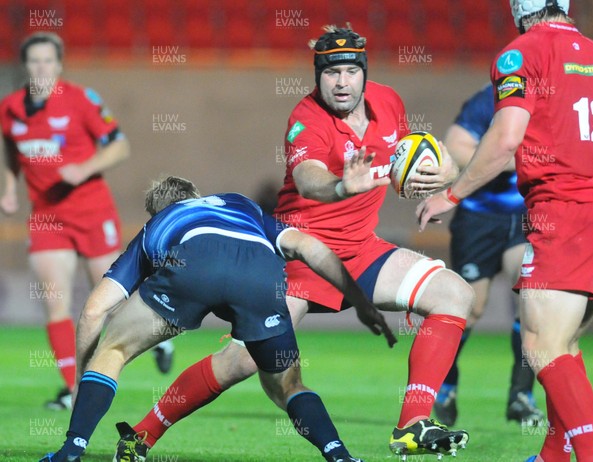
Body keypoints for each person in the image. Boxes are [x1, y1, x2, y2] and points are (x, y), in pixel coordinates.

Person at [114, 25, 472, 462]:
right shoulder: (306, 118)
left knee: (455, 294)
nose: (341, 81)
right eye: (331, 72)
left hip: (361, 250)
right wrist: (342, 186)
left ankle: (413, 424)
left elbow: (427, 155)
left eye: (349, 71)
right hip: (299, 258)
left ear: (363, 73)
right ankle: (143, 434)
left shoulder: (390, 103)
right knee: (240, 364)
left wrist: (445, 175)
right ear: (317, 76)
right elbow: (309, 178)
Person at [39, 176, 397, 462]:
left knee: (112, 351)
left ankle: (74, 448)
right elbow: (309, 247)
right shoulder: (242, 205)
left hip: (192, 267)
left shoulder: (159, 225)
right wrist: (360, 300)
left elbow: (92, 311)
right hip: (262, 276)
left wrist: (81, 378)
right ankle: (339, 454)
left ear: (158, 212)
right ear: (198, 196)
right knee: (287, 386)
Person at [417, 1, 593, 460]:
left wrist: (451, 194)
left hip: (562, 210)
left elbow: (504, 138)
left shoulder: (520, 54)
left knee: (541, 345)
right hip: (591, 211)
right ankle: (551, 455)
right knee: (566, 344)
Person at [0, 32, 173, 409]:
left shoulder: (81, 100)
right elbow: (12, 150)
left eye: (48, 61)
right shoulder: (10, 109)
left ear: (59, 65)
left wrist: (85, 168)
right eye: (34, 61)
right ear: (25, 66)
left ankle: (162, 338)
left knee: (110, 302)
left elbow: (119, 144)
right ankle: (73, 389)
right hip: (47, 218)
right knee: (54, 303)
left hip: (92, 213)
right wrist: (9, 188)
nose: (41, 68)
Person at [421, 83, 544, 427]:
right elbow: (457, 147)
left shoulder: (546, 99)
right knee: (471, 307)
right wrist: (503, 155)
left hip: (524, 215)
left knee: (529, 299)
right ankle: (446, 385)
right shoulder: (486, 101)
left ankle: (521, 396)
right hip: (477, 218)